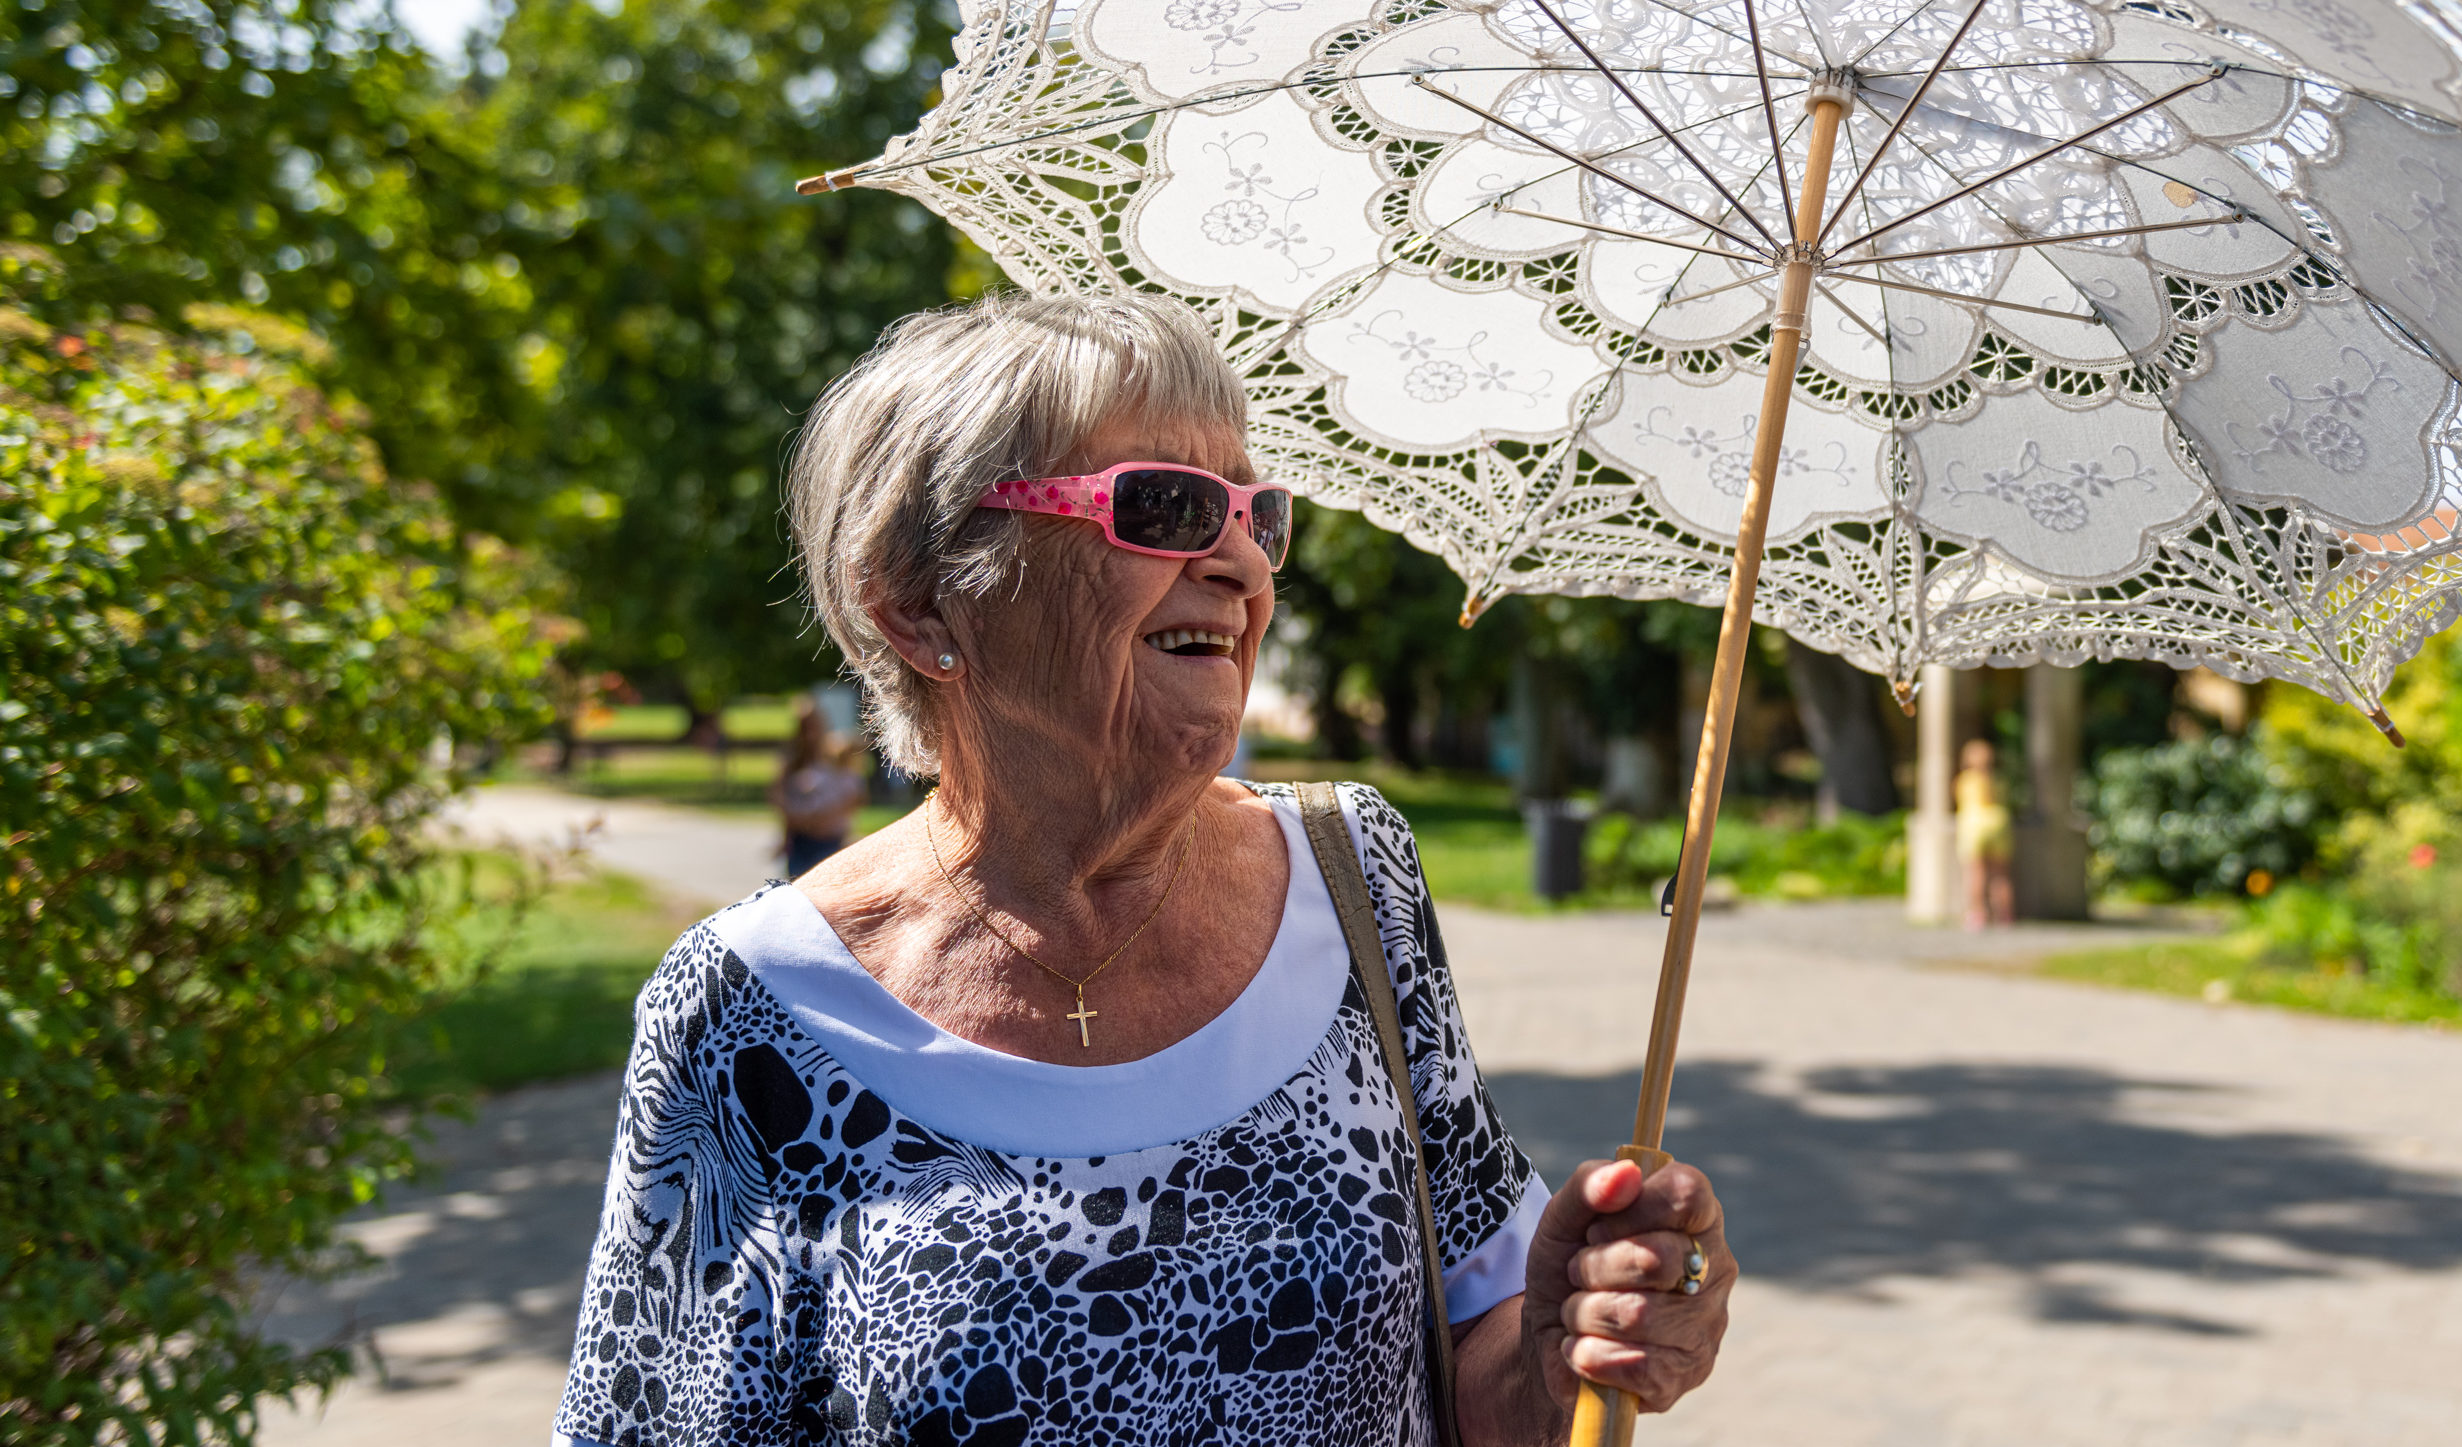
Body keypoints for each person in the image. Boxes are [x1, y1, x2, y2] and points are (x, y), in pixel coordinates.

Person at [552, 294, 1733, 1446]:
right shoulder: (754, 1009)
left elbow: (1471, 1373)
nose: (1240, 564)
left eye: (1254, 514)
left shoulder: (1353, 873)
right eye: (1163, 507)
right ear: (916, 604)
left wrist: (1568, 1343)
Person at [768, 694, 866, 877]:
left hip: (830, 839)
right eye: (806, 728)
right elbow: (778, 797)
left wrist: (824, 817)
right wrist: (797, 821)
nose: (811, 734)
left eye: (814, 726)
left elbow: (854, 792)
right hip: (801, 840)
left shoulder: (834, 754)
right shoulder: (792, 761)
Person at [1955, 737, 2013, 930]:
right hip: (1998, 821)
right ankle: (2004, 915)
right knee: (2000, 874)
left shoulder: (1966, 780)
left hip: (1974, 824)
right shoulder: (1999, 780)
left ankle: (1977, 914)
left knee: (1975, 873)